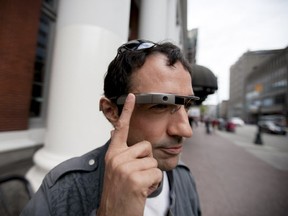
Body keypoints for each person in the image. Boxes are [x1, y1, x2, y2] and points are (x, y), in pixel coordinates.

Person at [21, 39, 201, 216]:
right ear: (112, 111)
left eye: (187, 105)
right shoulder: (61, 191)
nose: (186, 130)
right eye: (160, 105)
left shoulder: (183, 177)